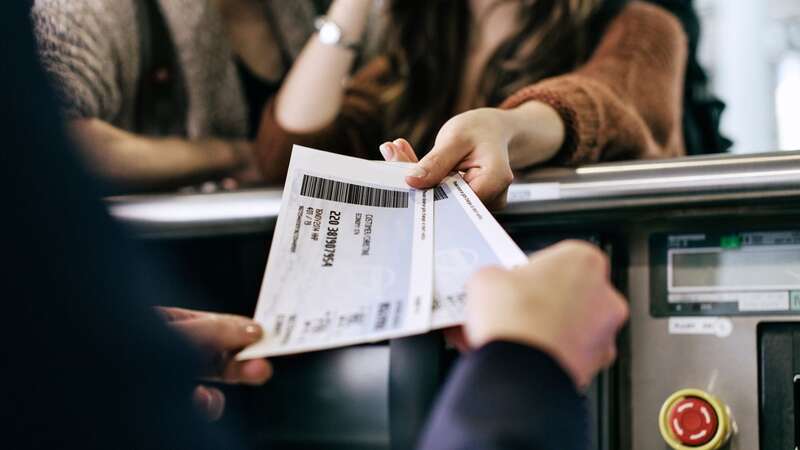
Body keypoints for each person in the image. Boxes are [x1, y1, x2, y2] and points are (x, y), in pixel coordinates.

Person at [7, 6, 627, 449]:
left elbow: (614, 96)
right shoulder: (409, 38)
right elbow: (288, 150)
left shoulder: (631, 20)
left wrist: (509, 127)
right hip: (439, 357)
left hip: (589, 320)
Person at [256, 0, 687, 208]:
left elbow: (605, 100)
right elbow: (288, 153)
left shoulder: (642, 27)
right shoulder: (416, 50)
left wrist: (506, 129)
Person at [30, 0, 322, 191]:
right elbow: (51, 139)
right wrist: (233, 156)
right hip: (164, 271)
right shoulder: (88, 9)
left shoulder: (312, 10)